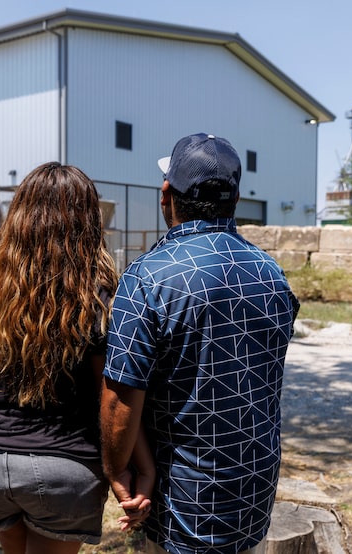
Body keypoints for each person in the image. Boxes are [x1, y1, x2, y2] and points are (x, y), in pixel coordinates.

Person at [100, 133, 301, 554]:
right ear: (235, 199)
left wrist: (115, 468)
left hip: (183, 500)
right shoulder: (272, 275)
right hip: (254, 489)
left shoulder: (148, 277)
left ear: (166, 195)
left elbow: (121, 397)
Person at [0, 162, 138, 554]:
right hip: (63, 469)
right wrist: (119, 468)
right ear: (88, 221)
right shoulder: (99, 297)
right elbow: (110, 394)